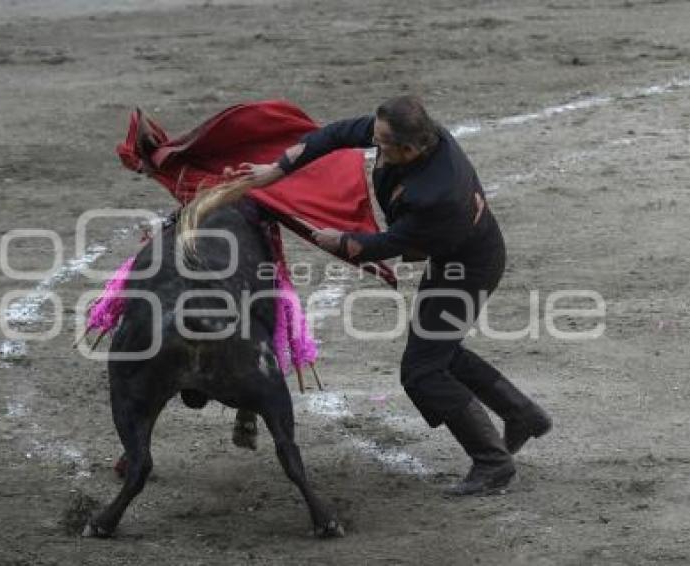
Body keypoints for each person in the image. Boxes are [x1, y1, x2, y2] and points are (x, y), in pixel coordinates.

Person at [229, 95, 552, 495]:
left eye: (382, 144)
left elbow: (384, 245)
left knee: (422, 371)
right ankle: (521, 414)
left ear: (412, 148)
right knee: (440, 353)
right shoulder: (408, 135)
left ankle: (493, 463)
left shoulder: (438, 195)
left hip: (468, 270)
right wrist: (274, 171)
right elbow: (333, 135)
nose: (374, 146)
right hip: (455, 257)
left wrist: (338, 240)